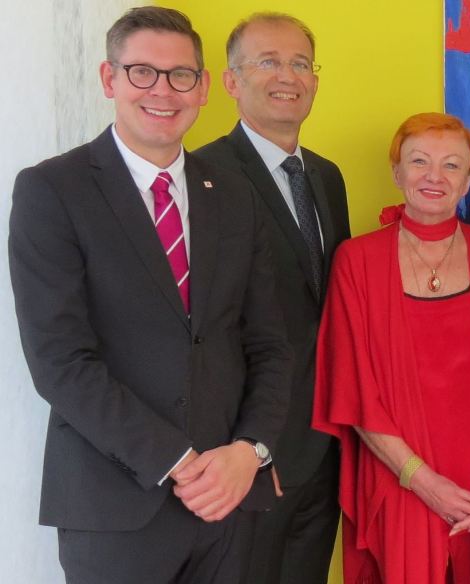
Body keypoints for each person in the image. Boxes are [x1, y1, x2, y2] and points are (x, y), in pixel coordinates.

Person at [8, 7, 291, 583]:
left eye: (181, 74)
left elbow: (269, 344)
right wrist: (178, 462)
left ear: (205, 87)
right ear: (110, 79)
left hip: (229, 502)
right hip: (114, 507)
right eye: (142, 72)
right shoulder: (52, 190)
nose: (163, 90)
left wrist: (250, 450)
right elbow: (60, 361)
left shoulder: (236, 196)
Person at [313, 112, 470, 584]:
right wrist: (423, 481)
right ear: (397, 173)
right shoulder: (356, 261)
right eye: (419, 161)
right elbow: (352, 391)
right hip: (402, 478)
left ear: (467, 183)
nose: (434, 177)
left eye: (451, 165)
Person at [194, 12, 350, 583]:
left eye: (301, 63)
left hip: (324, 447)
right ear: (232, 81)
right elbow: (204, 330)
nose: (288, 75)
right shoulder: (201, 174)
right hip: (249, 455)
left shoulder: (327, 178)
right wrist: (249, 446)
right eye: (268, 61)